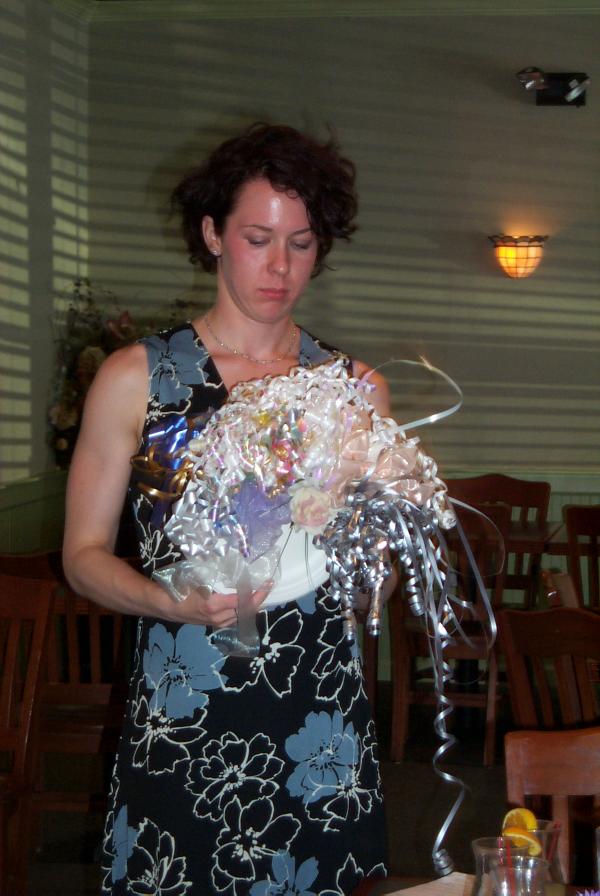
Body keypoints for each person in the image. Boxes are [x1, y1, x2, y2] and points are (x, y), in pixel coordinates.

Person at [63, 122, 392, 895]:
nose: (280, 266)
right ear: (212, 233)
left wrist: (370, 548)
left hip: (317, 715)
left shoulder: (353, 389)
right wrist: (164, 599)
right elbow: (81, 558)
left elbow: (373, 579)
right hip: (186, 709)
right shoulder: (138, 380)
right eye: (257, 239)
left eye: (301, 244)